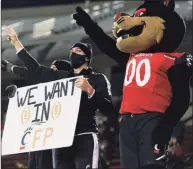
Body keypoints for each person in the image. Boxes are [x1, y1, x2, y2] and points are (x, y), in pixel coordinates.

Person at [72, 2, 193, 169]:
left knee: (152, 166)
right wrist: (89, 25)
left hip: (153, 119)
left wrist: (166, 127)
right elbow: (106, 44)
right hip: (127, 121)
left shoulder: (172, 60)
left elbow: (182, 98)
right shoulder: (131, 57)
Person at [7, 26, 115, 169]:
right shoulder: (62, 77)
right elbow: (36, 70)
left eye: (78, 51)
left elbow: (108, 108)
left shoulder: (97, 79)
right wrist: (16, 42)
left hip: (85, 135)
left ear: (87, 57)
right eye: (72, 51)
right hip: (61, 139)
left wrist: (89, 90)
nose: (73, 53)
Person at [2, 59, 72, 169]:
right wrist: (17, 97)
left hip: (57, 144)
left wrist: (12, 68)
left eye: (54, 69)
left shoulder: (70, 95)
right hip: (37, 144)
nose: (49, 72)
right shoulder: (41, 92)